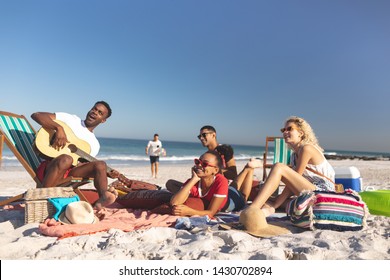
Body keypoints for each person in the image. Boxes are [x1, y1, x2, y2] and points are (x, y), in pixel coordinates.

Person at [32, 101, 119, 211]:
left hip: (69, 173)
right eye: (94, 109)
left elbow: (79, 164)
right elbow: (36, 115)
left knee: (101, 164)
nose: (94, 112)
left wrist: (106, 172)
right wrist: (59, 128)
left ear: (103, 120)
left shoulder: (94, 144)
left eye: (100, 113)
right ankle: (44, 196)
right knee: (66, 159)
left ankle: (103, 196)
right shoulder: (71, 119)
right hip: (50, 168)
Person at [241, 116, 336, 217]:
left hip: (323, 193)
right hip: (310, 192)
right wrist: (275, 202)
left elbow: (294, 180)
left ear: (301, 133)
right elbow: (292, 185)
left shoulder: (307, 149)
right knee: (268, 199)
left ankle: (252, 210)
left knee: (278, 167)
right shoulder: (294, 156)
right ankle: (265, 211)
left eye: (289, 129)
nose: (285, 132)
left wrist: (275, 204)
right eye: (283, 130)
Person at [166, 125, 237, 193]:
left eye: (204, 135)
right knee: (170, 183)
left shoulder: (224, 150)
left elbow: (234, 174)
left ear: (213, 135)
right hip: (203, 187)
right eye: (199, 136)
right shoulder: (205, 155)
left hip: (219, 187)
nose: (201, 138)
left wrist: (213, 171)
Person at [170, 150, 229, 217]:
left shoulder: (221, 181)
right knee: (170, 184)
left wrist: (189, 211)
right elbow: (174, 202)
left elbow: (211, 213)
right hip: (206, 201)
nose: (199, 165)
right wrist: (194, 179)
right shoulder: (194, 181)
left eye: (204, 164)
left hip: (230, 202)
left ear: (215, 170)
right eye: (198, 162)